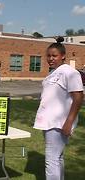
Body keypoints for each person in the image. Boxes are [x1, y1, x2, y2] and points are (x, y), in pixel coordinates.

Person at [34, 37, 84, 180]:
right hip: (48, 122)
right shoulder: (52, 73)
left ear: (63, 56)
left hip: (59, 122)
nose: (51, 58)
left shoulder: (69, 72)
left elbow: (78, 97)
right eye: (48, 55)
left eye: (54, 55)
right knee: (57, 157)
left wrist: (69, 121)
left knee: (51, 159)